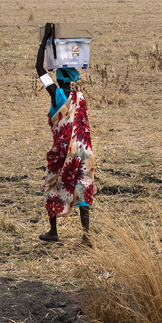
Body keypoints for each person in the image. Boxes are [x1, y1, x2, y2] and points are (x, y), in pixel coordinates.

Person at [35, 24, 95, 243]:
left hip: (63, 151)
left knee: (53, 184)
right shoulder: (80, 96)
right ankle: (87, 235)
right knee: (82, 186)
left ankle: (54, 232)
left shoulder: (57, 95)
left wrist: (45, 40)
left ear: (59, 76)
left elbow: (39, 69)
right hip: (84, 150)